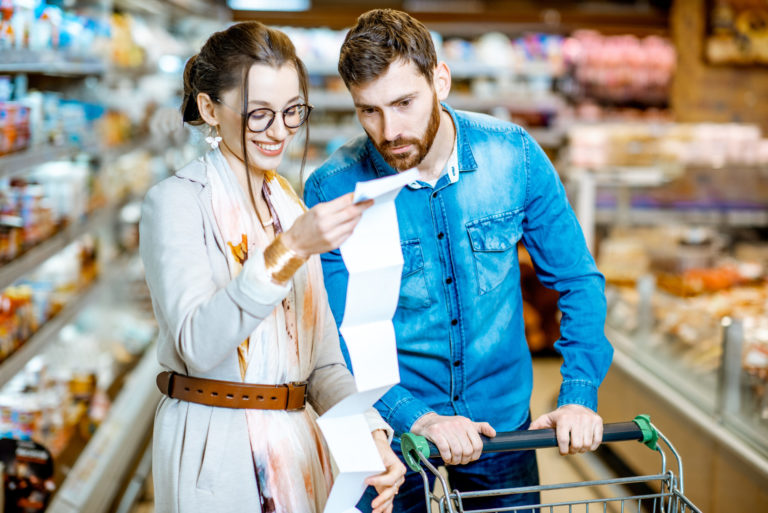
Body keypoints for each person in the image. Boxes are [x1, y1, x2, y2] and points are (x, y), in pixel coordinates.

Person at [303, 9, 614, 513]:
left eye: (404, 103)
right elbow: (336, 331)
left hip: (503, 423)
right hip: (393, 432)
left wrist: (578, 392)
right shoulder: (333, 187)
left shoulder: (514, 155)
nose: (389, 131)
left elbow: (578, 280)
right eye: (370, 111)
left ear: (440, 80)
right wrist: (417, 418)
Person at [139, 21, 405, 513]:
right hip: (218, 455)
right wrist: (286, 252)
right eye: (259, 114)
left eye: (292, 112)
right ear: (208, 109)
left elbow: (323, 361)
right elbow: (197, 345)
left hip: (300, 452)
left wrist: (367, 433)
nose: (280, 131)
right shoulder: (177, 203)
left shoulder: (289, 205)